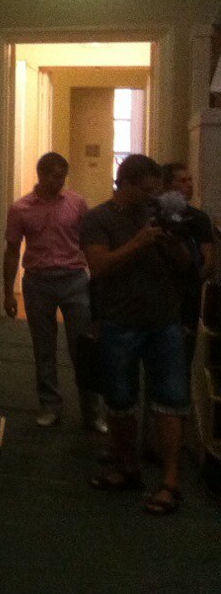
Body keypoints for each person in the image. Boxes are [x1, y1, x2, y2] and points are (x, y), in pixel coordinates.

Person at [81, 155, 189, 515]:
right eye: (147, 190)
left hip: (164, 320)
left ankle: (170, 483)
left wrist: (172, 243)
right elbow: (98, 267)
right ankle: (127, 468)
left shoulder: (159, 215)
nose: (153, 197)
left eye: (157, 190)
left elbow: (187, 267)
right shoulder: (98, 219)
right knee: (120, 400)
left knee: (171, 400)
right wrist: (140, 242)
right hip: (120, 321)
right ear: (125, 184)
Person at [2, 152, 104, 430]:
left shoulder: (77, 203)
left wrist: (97, 280)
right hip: (38, 282)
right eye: (55, 177)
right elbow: (11, 251)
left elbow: (90, 243)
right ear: (41, 175)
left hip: (74, 279)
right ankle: (50, 406)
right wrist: (8, 292)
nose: (60, 183)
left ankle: (92, 411)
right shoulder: (20, 209)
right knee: (44, 347)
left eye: (63, 177)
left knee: (83, 347)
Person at [156, 162, 214, 363]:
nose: (189, 185)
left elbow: (209, 260)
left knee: (184, 351)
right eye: (182, 180)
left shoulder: (198, 218)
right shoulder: (154, 215)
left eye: (190, 180)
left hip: (187, 295)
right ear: (167, 185)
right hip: (158, 293)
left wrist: (192, 282)